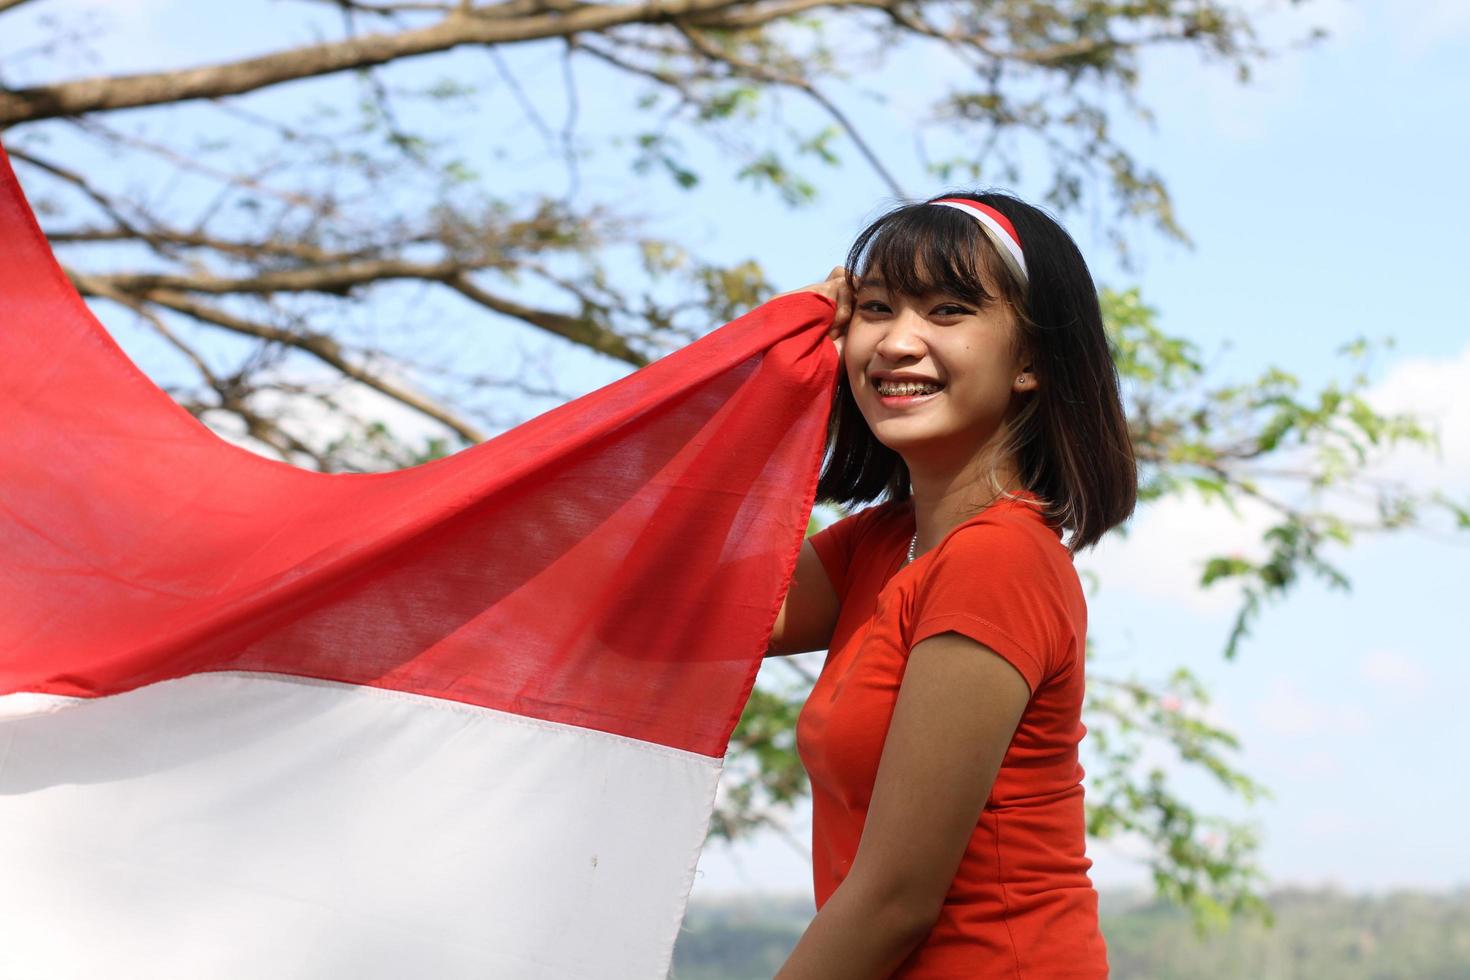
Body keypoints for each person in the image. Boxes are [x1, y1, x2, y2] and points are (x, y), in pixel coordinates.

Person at [764, 190, 1137, 979]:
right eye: (874, 308)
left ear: (1031, 358)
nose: (899, 341)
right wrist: (775, 359)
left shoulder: (997, 560)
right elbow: (689, 601)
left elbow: (897, 898)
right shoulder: (887, 543)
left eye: (947, 310)